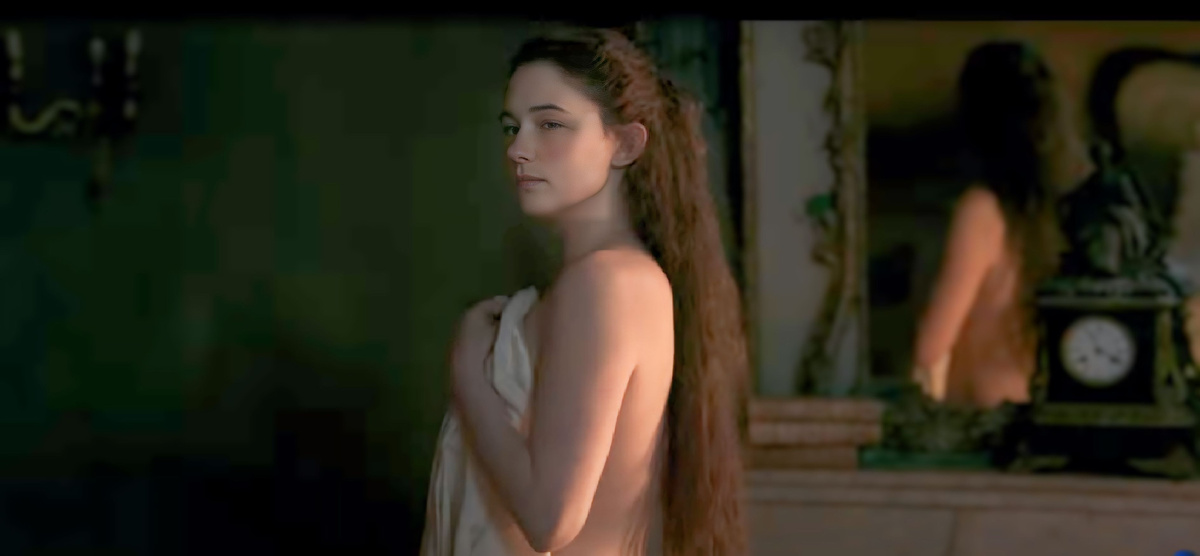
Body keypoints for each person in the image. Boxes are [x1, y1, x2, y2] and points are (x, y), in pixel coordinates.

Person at [422, 28, 748, 555]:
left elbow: (551, 519)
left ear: (625, 144)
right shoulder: (619, 280)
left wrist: (468, 375)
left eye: (550, 124)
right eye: (512, 127)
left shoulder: (606, 283)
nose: (518, 149)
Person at [912, 42, 1092, 408]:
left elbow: (931, 347)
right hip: (1039, 405)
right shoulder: (1066, 209)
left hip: (982, 415)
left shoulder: (983, 211)